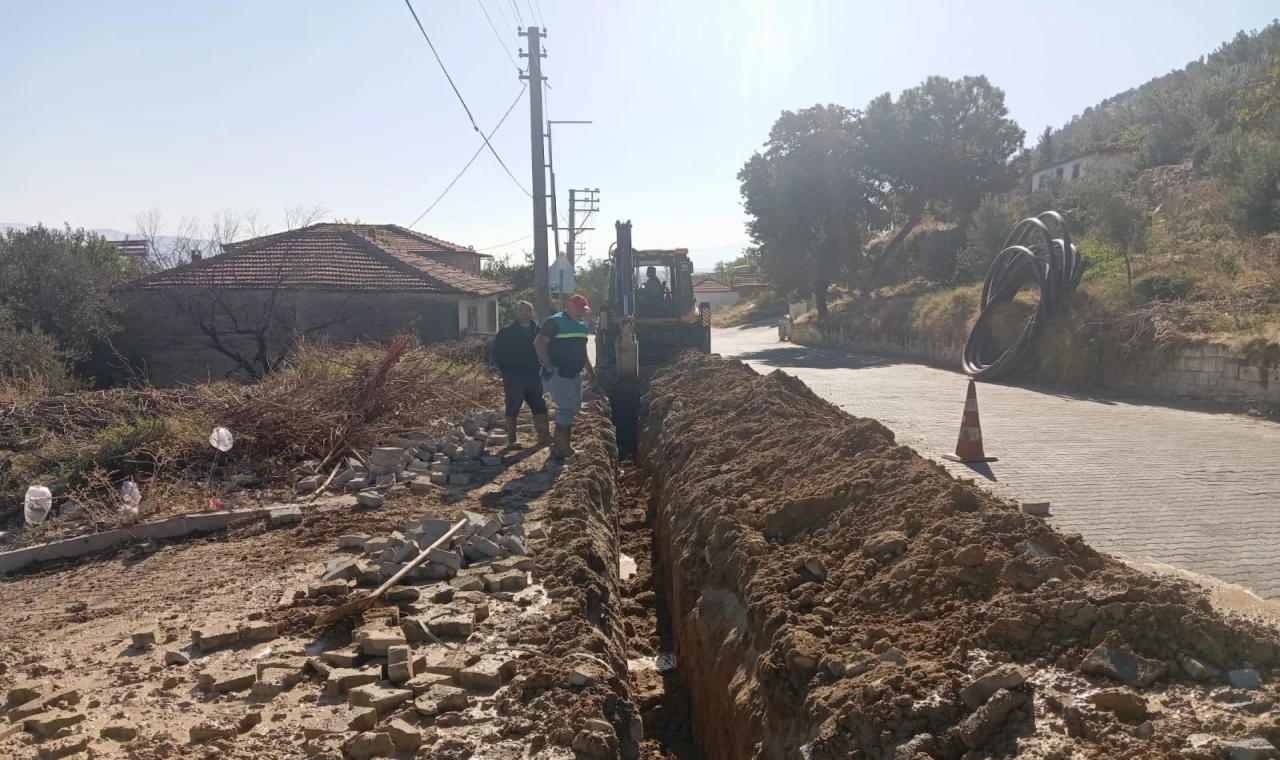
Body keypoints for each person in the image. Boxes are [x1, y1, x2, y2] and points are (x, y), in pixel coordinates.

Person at [534, 293, 592, 458]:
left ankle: (559, 445)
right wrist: (547, 365)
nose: (582, 312)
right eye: (580, 309)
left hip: (574, 373)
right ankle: (562, 448)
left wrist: (590, 370)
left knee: (573, 408)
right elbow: (539, 342)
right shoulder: (555, 322)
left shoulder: (581, 326)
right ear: (570, 307)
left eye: (584, 310)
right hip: (558, 372)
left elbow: (583, 351)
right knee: (566, 409)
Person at [492, 301, 552, 447]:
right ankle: (512, 440)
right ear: (516, 312)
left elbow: (547, 348)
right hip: (514, 375)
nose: (524, 312)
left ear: (532, 312)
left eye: (527, 310)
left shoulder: (538, 330)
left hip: (533, 374)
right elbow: (496, 352)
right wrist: (505, 369)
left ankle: (544, 437)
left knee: (539, 404)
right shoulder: (506, 331)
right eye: (521, 310)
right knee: (513, 405)